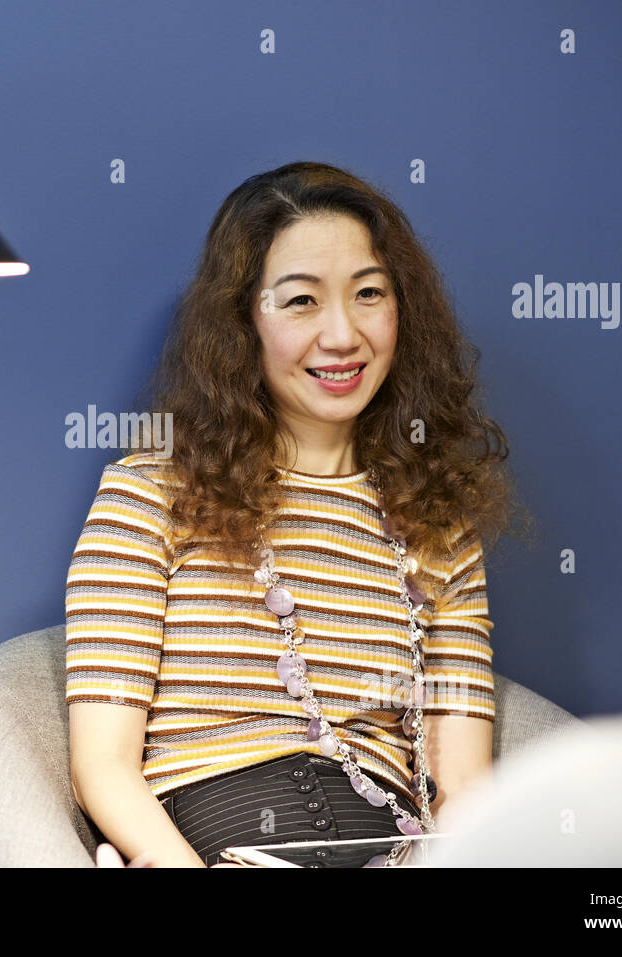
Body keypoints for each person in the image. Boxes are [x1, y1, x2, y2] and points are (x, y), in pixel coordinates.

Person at [66, 161, 535, 868]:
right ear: (242, 322)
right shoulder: (148, 494)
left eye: (369, 294)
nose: (343, 335)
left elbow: (463, 782)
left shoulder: (439, 525)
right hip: (218, 845)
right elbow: (102, 767)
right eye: (301, 301)